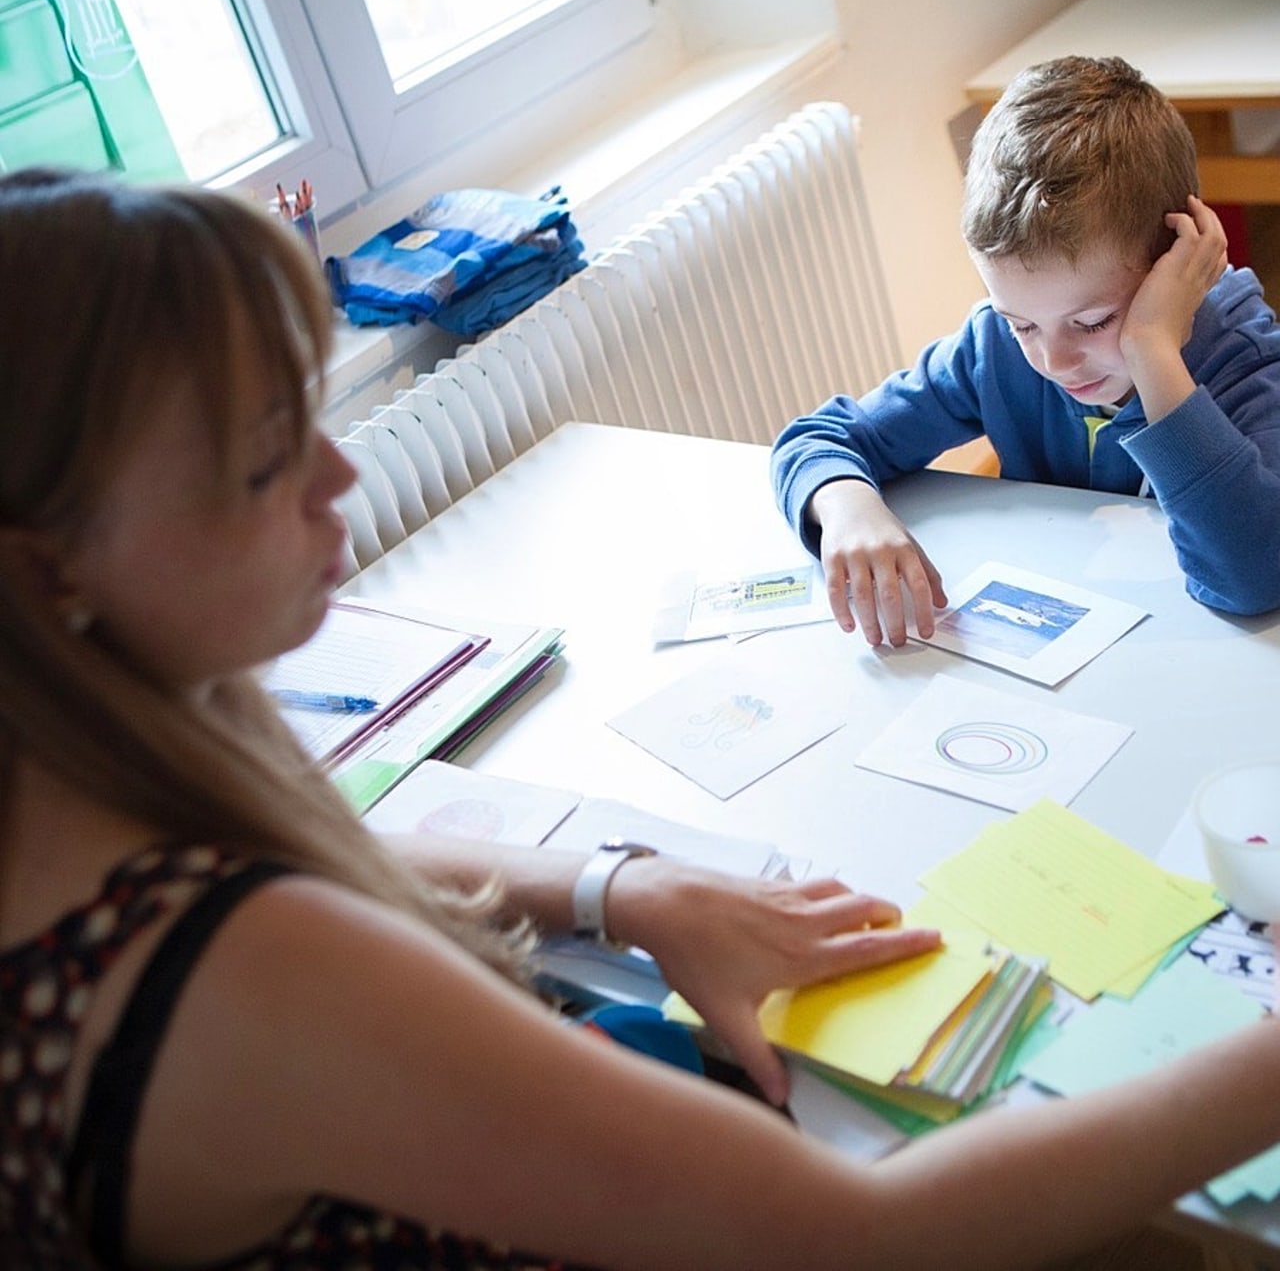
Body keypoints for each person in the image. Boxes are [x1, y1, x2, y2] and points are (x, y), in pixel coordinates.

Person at [2, 167, 1280, 1271]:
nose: (340, 475)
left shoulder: (79, 781)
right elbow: (864, 1237)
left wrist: (624, 889)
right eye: (265, 455)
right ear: (48, 565)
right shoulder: (247, 966)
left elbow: (335, 839)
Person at [771, 55, 1280, 648]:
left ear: (1177, 261)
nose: (1055, 361)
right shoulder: (993, 345)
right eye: (1023, 323)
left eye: (1092, 322)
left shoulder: (1241, 357)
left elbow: (1253, 577)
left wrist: (1152, 350)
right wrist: (846, 508)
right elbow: (823, 438)